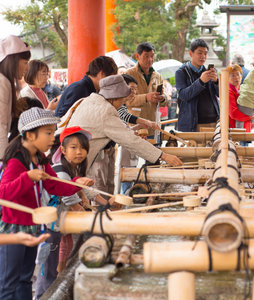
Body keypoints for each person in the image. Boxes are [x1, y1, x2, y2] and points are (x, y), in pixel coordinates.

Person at [0, 107, 93, 300]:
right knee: (9, 282)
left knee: (25, 279)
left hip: (32, 225)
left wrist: (76, 183)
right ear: (30, 134)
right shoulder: (17, 161)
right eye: (48, 132)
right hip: (13, 228)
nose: (53, 138)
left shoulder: (40, 160)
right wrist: (27, 177)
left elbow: (55, 186)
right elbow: (4, 192)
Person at [57, 75, 182, 194]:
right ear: (114, 97)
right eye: (122, 100)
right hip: (69, 167)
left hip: (64, 160)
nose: (123, 103)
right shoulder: (105, 111)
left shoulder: (88, 101)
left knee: (79, 195)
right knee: (68, 200)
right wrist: (164, 156)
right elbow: (131, 141)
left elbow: (121, 133)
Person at [35, 126, 103, 299]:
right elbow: (70, 200)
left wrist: (105, 202)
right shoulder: (59, 171)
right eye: (74, 147)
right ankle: (44, 294)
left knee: (64, 251)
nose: (79, 152)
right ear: (63, 150)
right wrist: (91, 215)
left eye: (83, 148)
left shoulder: (75, 169)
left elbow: (83, 189)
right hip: (51, 225)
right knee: (47, 266)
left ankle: (60, 279)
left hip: (62, 225)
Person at [125, 42, 169, 137]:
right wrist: (146, 97)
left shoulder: (157, 76)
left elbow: (165, 99)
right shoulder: (129, 74)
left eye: (152, 56)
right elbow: (125, 101)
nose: (150, 59)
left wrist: (162, 98)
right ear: (137, 56)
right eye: (146, 56)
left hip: (154, 125)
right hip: (135, 127)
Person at [175, 39, 219, 132]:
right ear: (191, 53)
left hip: (214, 122)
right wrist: (201, 81)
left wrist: (216, 82)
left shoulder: (210, 71)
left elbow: (221, 94)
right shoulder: (181, 72)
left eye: (205, 53)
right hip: (193, 124)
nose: (203, 56)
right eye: (200, 53)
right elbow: (183, 95)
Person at [0, 35, 31, 159]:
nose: (27, 68)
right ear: (12, 61)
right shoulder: (2, 82)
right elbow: (1, 125)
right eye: (25, 63)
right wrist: (4, 159)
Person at [227, 64, 254, 134]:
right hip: (234, 129)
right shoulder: (228, 91)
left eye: (238, 74)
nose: (236, 77)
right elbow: (233, 113)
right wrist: (251, 117)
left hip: (246, 127)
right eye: (233, 75)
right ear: (227, 78)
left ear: (241, 76)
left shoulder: (241, 88)